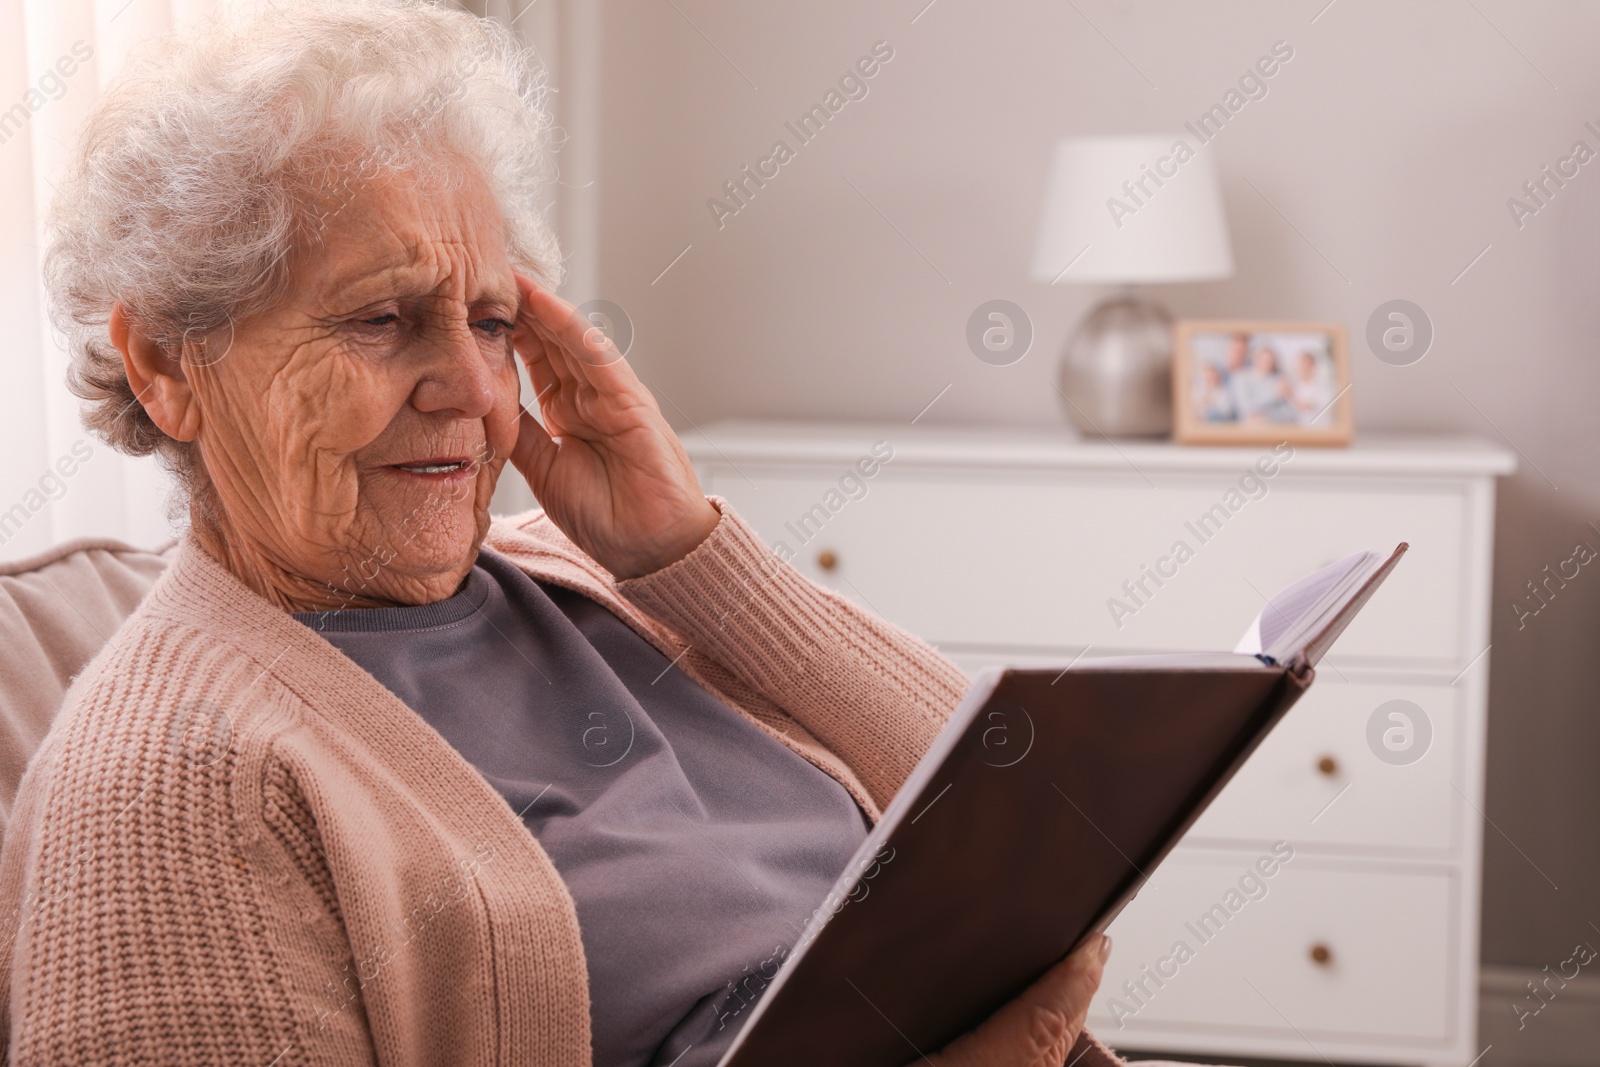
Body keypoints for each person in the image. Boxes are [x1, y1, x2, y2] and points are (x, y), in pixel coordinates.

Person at [0, 2, 1127, 1064]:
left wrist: (692, 554)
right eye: (383, 319)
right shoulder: (174, 784)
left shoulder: (599, 579)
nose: (468, 388)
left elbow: (1041, 817)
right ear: (163, 364)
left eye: (491, 321)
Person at [1290, 348, 1335, 426]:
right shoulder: (1294, 385)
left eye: (1307, 364)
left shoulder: (1321, 385)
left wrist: (1302, 404)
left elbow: (1321, 405)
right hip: (1299, 428)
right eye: (1301, 364)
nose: (1303, 367)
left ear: (1313, 365)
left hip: (1319, 426)